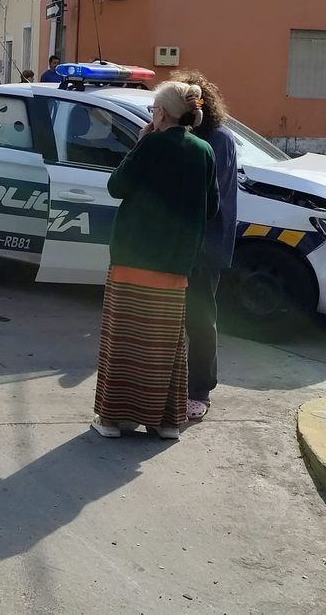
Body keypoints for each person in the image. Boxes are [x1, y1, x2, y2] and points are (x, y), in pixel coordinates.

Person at [91, 80, 218, 440]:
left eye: (153, 110)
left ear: (161, 113)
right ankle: (165, 423)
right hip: (177, 265)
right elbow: (213, 207)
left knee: (126, 342)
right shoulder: (204, 151)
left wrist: (140, 143)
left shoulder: (152, 144)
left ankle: (115, 421)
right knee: (164, 347)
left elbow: (117, 187)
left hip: (133, 257)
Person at [172, 70, 238, 421]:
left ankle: (200, 390)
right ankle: (178, 385)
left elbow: (207, 197)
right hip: (185, 243)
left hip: (206, 244)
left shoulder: (218, 140)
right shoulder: (187, 137)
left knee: (199, 318)